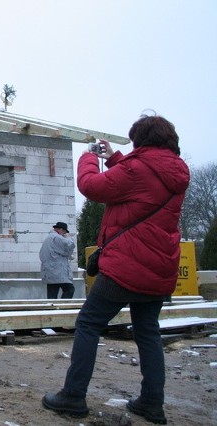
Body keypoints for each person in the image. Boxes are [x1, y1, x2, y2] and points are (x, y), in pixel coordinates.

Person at [42, 114, 190, 425]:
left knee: (89, 323)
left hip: (127, 266)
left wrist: (89, 158)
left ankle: (73, 395)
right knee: (148, 332)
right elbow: (142, 183)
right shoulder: (176, 171)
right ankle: (152, 403)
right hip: (159, 268)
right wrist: (115, 157)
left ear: (142, 139)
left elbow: (91, 187)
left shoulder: (137, 170)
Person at [39, 221, 76, 299]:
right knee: (69, 289)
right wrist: (70, 238)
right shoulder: (56, 237)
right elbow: (69, 246)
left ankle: (52, 310)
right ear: (61, 229)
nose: (64, 234)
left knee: (52, 296)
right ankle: (63, 308)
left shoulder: (48, 238)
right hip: (58, 271)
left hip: (50, 272)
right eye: (64, 232)